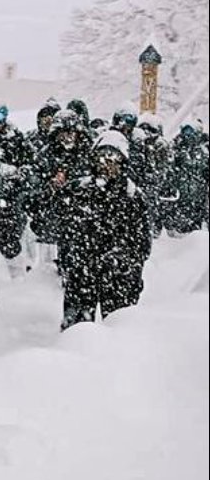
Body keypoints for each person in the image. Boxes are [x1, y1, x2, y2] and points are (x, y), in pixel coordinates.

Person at [56, 131, 152, 330]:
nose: (107, 165)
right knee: (76, 332)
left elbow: (142, 244)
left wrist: (128, 269)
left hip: (119, 276)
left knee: (120, 331)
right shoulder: (79, 190)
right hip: (81, 273)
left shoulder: (132, 196)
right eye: (102, 158)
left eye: (113, 159)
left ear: (122, 163)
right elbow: (59, 226)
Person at [26, 109, 94, 247]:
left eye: (70, 133)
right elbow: (32, 185)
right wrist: (48, 187)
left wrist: (75, 185)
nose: (66, 137)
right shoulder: (45, 155)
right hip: (50, 221)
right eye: (62, 133)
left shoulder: (88, 155)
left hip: (82, 220)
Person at [0, 103, 35, 260]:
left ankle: (15, 269)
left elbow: (30, 164)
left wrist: (19, 174)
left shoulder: (16, 139)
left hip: (11, 195)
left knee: (10, 236)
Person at [167, 121, 209, 233]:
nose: (187, 136)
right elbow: (169, 169)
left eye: (191, 133)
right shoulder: (176, 148)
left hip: (199, 196)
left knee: (197, 228)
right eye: (185, 132)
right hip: (181, 195)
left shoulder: (205, 151)